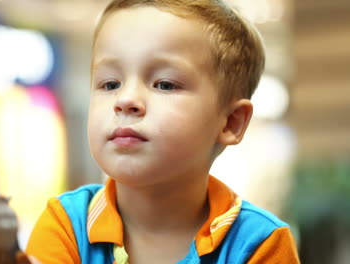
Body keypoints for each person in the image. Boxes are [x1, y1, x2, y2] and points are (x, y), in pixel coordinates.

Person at [25, 0, 300, 263]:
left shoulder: (260, 244)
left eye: (165, 84)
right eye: (110, 84)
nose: (125, 100)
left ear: (231, 122)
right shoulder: (66, 227)